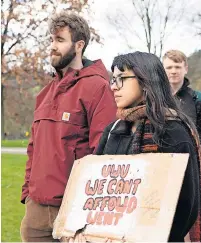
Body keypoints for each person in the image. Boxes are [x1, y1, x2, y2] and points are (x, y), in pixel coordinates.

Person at [20, 11, 116, 242]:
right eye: (51, 40)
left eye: (60, 40)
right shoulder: (45, 93)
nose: (52, 46)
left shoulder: (98, 88)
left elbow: (103, 154)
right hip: (36, 214)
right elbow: (33, 149)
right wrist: (27, 194)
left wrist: (89, 213)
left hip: (75, 213)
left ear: (79, 45)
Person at [95, 52, 200, 242]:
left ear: (145, 79)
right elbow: (95, 187)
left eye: (121, 79)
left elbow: (188, 205)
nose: (113, 86)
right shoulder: (113, 130)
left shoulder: (174, 132)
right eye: (113, 79)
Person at [163, 50, 201, 141]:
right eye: (169, 67)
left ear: (186, 69)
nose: (173, 71)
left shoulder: (198, 98)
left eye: (178, 67)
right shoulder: (154, 98)